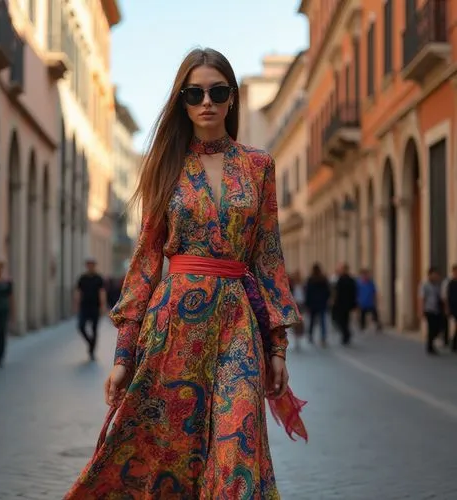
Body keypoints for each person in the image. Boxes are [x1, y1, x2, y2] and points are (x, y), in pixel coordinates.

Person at [65, 48, 304, 499]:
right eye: (194, 93)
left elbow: (269, 259)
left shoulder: (259, 166)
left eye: (217, 91)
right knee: (168, 454)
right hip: (172, 329)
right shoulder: (164, 165)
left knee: (238, 447)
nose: (206, 101)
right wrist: (122, 357)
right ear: (182, 101)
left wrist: (278, 347)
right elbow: (145, 263)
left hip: (238, 326)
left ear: (232, 98)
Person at [74, 258, 106, 361]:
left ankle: (92, 351)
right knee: (81, 326)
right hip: (84, 306)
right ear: (87, 266)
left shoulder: (98, 278)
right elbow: (78, 292)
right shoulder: (82, 278)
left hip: (95, 306)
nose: (90, 266)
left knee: (94, 329)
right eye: (88, 265)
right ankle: (90, 343)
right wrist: (77, 304)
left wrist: (102, 306)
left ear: (94, 266)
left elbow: (102, 292)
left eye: (92, 264)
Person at [305, 263, 331, 347]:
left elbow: (308, 293)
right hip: (322, 303)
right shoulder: (323, 279)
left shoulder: (310, 279)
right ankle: (323, 337)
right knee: (322, 321)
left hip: (313, 304)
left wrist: (307, 304)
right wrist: (326, 300)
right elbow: (328, 292)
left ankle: (310, 335)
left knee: (312, 321)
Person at [419, 267, 444, 355]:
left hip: (436, 309)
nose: (436, 276)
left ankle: (430, 344)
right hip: (429, 309)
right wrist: (421, 311)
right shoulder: (425, 285)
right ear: (430, 274)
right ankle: (430, 347)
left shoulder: (437, 285)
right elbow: (422, 298)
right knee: (432, 328)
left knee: (438, 327)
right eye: (435, 274)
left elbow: (440, 297)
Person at [332, 263, 357, 345]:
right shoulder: (348, 279)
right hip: (345, 303)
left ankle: (346, 334)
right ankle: (346, 334)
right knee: (344, 320)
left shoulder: (344, 279)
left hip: (343, 304)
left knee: (343, 320)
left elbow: (337, 292)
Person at [442, 264, 457, 352]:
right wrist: (447, 308)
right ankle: (453, 343)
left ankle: (454, 343)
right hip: (453, 307)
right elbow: (445, 297)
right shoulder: (449, 282)